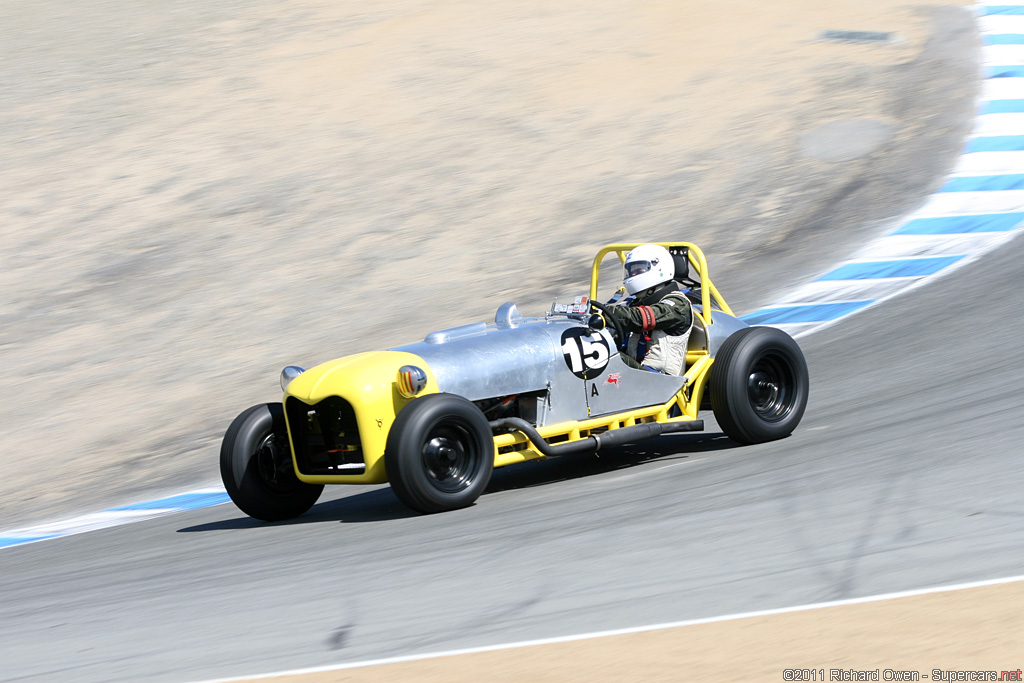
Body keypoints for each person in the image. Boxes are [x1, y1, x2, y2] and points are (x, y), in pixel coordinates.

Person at [598, 244, 693, 375]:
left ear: (659, 268)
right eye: (631, 271)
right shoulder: (634, 303)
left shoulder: (678, 304)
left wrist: (603, 313)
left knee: (602, 355)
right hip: (636, 375)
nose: (632, 274)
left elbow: (640, 318)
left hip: (661, 380)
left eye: (638, 270)